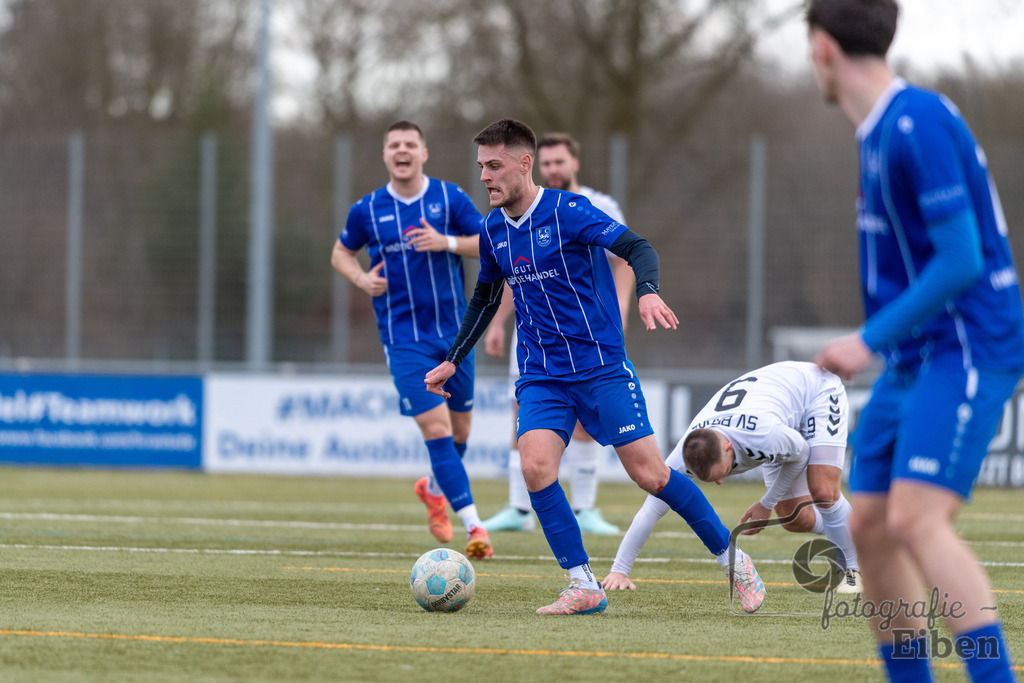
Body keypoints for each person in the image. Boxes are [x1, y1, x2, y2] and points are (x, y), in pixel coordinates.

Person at [425, 118, 765, 615]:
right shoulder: (494, 228)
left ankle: (734, 561)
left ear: (525, 163)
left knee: (651, 475)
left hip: (601, 366)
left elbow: (637, 247)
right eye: (481, 167)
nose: (486, 177)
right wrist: (453, 360)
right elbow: (484, 297)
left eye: (495, 166)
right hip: (541, 374)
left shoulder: (570, 211)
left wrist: (647, 292)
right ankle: (582, 583)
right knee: (535, 466)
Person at [806, 2, 1024, 681]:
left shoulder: (915, 122)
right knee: (866, 520)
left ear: (822, 49)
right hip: (916, 357)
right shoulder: (878, 132)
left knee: (916, 518)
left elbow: (961, 258)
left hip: (966, 347)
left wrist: (866, 339)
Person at [331, 120, 493, 560]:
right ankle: (475, 526)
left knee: (460, 431)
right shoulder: (367, 209)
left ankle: (434, 489)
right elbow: (340, 251)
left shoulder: (449, 198)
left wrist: (447, 242)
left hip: (457, 335)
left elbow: (491, 242)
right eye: (393, 145)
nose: (402, 151)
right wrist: (361, 278)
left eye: (410, 144)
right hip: (404, 340)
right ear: (385, 155)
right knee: (437, 429)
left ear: (424, 152)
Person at [482, 132, 633, 536]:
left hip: (587, 335)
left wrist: (617, 313)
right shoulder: (517, 211)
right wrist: (497, 323)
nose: (553, 169)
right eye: (546, 163)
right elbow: (516, 272)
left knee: (585, 419)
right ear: (534, 165)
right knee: (523, 412)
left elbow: (625, 260)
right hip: (534, 332)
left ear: (574, 163)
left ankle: (585, 509)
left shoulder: (597, 206)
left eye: (559, 162)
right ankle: (517, 508)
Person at [603, 361, 862, 595]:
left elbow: (800, 453)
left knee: (824, 490)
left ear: (728, 447)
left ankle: (854, 570)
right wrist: (620, 569)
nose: (719, 483)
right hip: (777, 411)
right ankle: (866, 531)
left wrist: (766, 503)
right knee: (796, 519)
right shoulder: (685, 453)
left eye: (722, 473)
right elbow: (651, 508)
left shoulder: (764, 435)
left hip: (815, 391)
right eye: (711, 480)